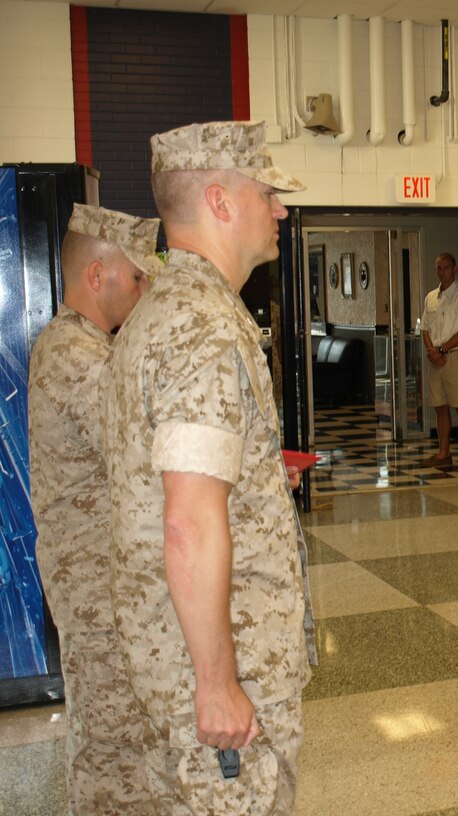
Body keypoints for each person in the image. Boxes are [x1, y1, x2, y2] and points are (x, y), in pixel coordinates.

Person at [104, 120, 315, 814]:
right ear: (221, 202)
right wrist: (219, 683)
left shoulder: (159, 310)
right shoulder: (204, 327)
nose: (280, 210)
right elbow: (188, 522)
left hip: (169, 646)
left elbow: (181, 482)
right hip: (226, 662)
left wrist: (256, 483)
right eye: (267, 193)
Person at [28, 204, 159, 814]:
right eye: (137, 277)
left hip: (101, 580)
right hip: (95, 585)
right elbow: (144, 448)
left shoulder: (83, 347)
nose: (145, 289)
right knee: (113, 747)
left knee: (115, 733)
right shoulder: (75, 357)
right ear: (97, 276)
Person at [420, 252, 458, 472]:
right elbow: (425, 328)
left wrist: (442, 349)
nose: (442, 271)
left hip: (455, 357)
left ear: (455, 269)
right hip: (435, 358)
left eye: (446, 267)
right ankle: (444, 453)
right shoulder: (431, 297)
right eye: (438, 268)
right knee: (440, 406)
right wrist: (432, 351)